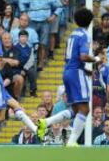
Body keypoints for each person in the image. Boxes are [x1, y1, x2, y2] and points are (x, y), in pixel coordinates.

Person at [36, 8, 99, 146]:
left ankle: (46, 122)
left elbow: (70, 58)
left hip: (68, 72)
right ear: (90, 21)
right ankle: (71, 141)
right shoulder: (85, 35)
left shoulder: (72, 34)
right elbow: (83, 56)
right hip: (76, 73)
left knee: (75, 109)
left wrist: (86, 71)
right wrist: (96, 59)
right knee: (85, 109)